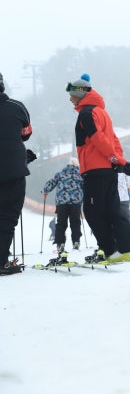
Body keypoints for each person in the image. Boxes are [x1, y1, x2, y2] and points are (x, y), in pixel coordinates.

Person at [66, 73, 130, 263]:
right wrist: (119, 161)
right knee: (113, 210)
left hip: (95, 170)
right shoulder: (102, 112)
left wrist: (118, 161)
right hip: (107, 170)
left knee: (92, 212)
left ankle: (111, 251)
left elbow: (97, 138)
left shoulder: (86, 113)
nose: (70, 98)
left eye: (72, 94)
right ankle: (128, 250)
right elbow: (113, 140)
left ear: (80, 94)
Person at [0, 72, 33, 275]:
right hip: (12, 171)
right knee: (7, 217)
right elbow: (26, 133)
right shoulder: (16, 106)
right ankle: (2, 261)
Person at [42, 157, 84, 253]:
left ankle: (60, 243)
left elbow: (51, 183)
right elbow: (86, 186)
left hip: (62, 203)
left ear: (67, 165)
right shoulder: (80, 175)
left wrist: (44, 191)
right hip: (75, 203)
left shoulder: (60, 174)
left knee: (61, 223)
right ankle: (76, 241)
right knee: (75, 222)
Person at [115, 172, 130, 254]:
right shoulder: (124, 168)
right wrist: (129, 187)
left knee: (118, 220)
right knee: (127, 219)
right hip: (124, 196)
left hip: (115, 197)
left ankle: (120, 241)